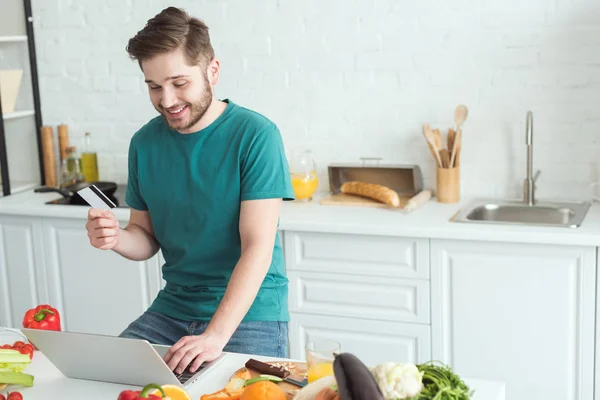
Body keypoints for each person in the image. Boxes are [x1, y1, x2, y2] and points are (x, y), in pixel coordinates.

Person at [84, 6, 295, 375]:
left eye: (179, 83)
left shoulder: (256, 136)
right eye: (154, 86)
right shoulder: (145, 143)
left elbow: (258, 247)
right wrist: (116, 238)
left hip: (249, 316)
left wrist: (214, 336)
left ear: (212, 70)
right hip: (172, 311)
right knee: (103, 378)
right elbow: (145, 238)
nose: (167, 100)